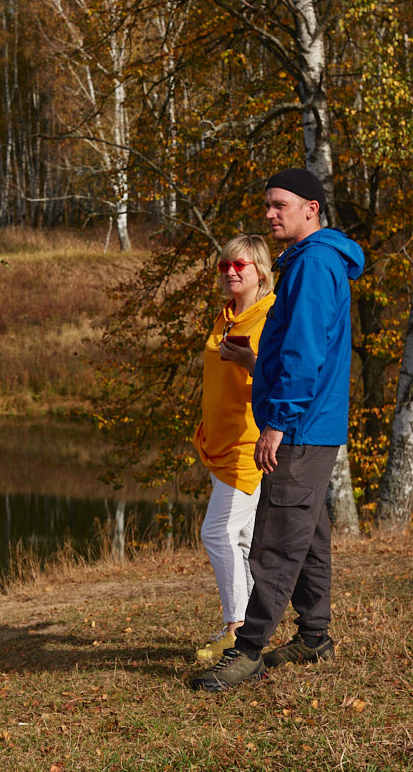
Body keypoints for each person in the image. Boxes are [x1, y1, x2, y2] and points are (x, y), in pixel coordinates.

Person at [189, 168, 365, 692]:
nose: (270, 214)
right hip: (313, 423)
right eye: (267, 204)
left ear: (310, 208)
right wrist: (255, 359)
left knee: (275, 540)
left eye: (280, 205)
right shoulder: (311, 263)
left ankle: (247, 651)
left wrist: (277, 424)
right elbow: (297, 349)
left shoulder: (313, 266)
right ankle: (314, 636)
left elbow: (307, 356)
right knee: (309, 534)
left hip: (303, 426)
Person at [192, 235, 276, 662]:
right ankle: (245, 626)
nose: (230, 273)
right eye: (224, 266)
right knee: (240, 540)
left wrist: (249, 362)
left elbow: (284, 376)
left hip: (248, 445)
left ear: (260, 269)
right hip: (219, 444)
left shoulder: (270, 316)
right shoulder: (226, 316)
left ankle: (236, 628)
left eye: (239, 265)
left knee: (216, 532)